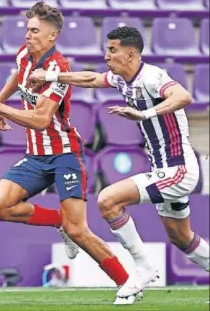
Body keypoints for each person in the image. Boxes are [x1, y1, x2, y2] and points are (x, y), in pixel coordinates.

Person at [27, 26, 210, 302]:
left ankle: (143, 267)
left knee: (108, 200)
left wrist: (143, 113)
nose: (107, 55)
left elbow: (183, 96)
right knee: (181, 238)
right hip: (164, 169)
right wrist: (51, 75)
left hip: (179, 169)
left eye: (112, 50)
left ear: (131, 54)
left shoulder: (152, 76)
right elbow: (90, 79)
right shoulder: (123, 78)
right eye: (107, 48)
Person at [0, 3, 138, 305]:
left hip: (65, 155)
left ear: (52, 36)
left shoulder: (58, 68)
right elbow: (17, 76)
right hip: (36, 156)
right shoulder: (25, 55)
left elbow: (41, 119)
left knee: (79, 231)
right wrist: (0, 100)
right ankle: (58, 221)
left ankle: (127, 283)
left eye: (34, 31)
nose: (27, 35)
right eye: (27, 29)